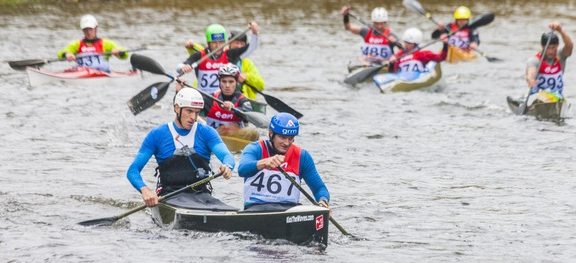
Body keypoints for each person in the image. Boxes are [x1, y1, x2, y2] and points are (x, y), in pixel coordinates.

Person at [127, 88, 235, 207]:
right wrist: (145, 190)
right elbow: (133, 170)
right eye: (189, 111)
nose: (193, 117)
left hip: (202, 196)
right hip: (169, 196)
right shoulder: (157, 134)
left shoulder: (207, 132)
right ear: (177, 108)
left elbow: (227, 156)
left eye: (197, 112)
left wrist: (227, 166)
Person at [238, 113, 331, 212]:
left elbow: (319, 188)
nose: (286, 143)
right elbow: (242, 170)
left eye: (290, 138)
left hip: (289, 211)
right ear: (271, 134)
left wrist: (323, 202)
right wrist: (264, 162)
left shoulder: (302, 156)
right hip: (257, 208)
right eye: (282, 137)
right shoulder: (255, 149)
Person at [178, 22, 260, 95]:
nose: (218, 46)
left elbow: (251, 47)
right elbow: (179, 68)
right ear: (208, 43)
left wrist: (254, 33)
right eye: (214, 43)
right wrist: (184, 67)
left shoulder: (230, 55)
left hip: (224, 99)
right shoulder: (199, 56)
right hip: (204, 98)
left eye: (221, 42)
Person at [373, 27, 448, 86]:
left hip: (416, 78)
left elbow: (442, 57)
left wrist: (445, 44)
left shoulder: (423, 54)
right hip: (401, 78)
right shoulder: (399, 56)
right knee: (377, 78)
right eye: (405, 42)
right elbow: (392, 71)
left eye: (409, 43)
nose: (406, 45)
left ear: (416, 44)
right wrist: (392, 63)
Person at [57, 14, 128, 72]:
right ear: (82, 30)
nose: (88, 32)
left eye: (91, 29)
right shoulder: (76, 44)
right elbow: (60, 54)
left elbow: (125, 55)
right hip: (81, 74)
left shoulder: (106, 43)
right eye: (85, 30)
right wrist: (66, 54)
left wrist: (118, 51)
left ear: (96, 28)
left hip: (102, 74)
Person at [526, 22, 573, 96]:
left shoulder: (561, 56)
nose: (550, 51)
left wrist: (560, 31)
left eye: (553, 48)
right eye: (548, 48)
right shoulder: (535, 60)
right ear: (542, 46)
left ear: (557, 46)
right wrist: (530, 80)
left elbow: (569, 46)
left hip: (557, 98)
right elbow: (531, 72)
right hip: (538, 97)